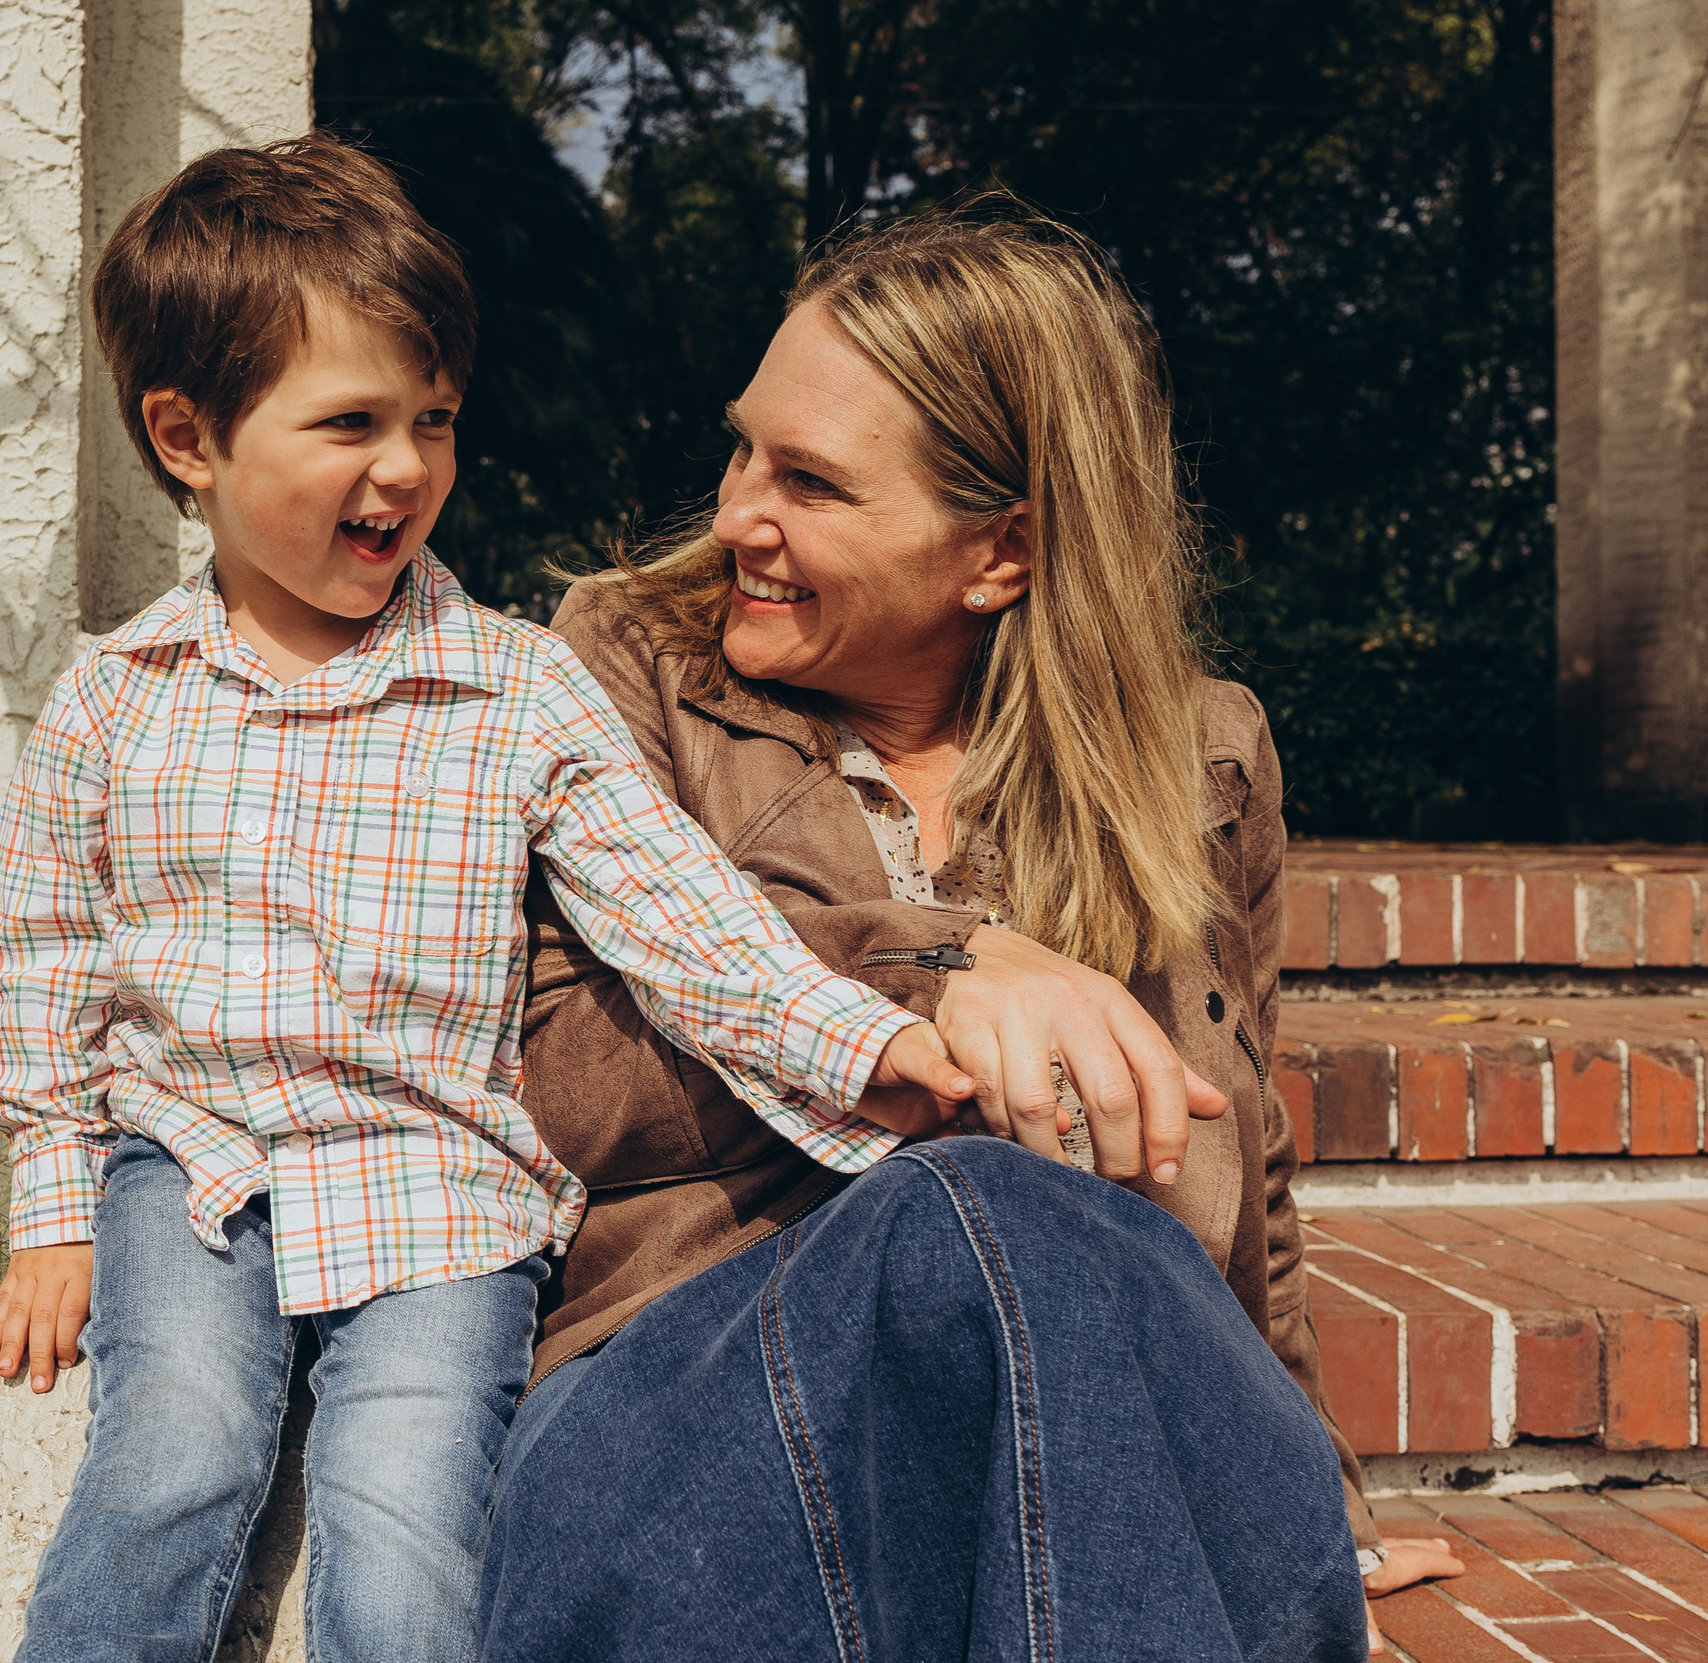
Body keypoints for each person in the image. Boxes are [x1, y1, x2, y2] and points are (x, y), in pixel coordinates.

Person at [0, 135, 984, 1663]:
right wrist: (54, 1214)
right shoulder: (116, 701)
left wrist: (865, 1042)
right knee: (172, 1454)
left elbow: (684, 915)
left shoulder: (517, 690)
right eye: (351, 422)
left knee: (404, 1532)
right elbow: (47, 969)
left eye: (432, 419)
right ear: (189, 438)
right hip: (192, 1167)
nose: (406, 467)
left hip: (438, 1192)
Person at [480, 206, 1465, 1661]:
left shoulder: (1201, 757)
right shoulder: (618, 674)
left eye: (812, 482)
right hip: (689, 1408)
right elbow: (556, 1075)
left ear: (1001, 553)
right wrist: (929, 971)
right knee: (967, 1210)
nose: (738, 514)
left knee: (1025, 1230)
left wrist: (1308, 1502)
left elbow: (1247, 1165)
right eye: (746, 450)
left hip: (1097, 1435)